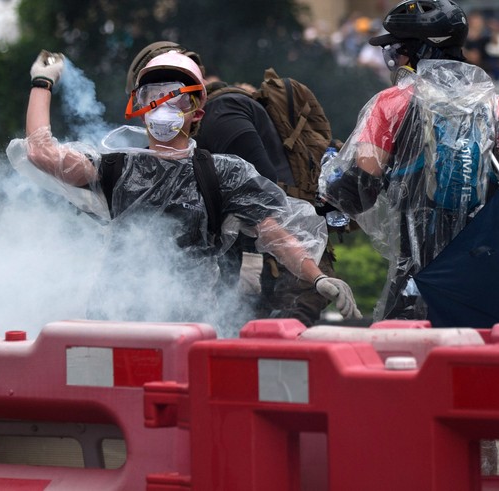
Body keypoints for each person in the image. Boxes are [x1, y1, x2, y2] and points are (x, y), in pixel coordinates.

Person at [7, 49, 361, 333]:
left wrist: (317, 278)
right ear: (139, 106)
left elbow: (275, 233)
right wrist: (43, 81)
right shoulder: (114, 166)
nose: (163, 106)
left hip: (189, 325)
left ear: (197, 112)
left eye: (176, 98)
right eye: (153, 95)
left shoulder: (223, 172)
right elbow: (41, 153)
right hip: (115, 321)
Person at [322, 0, 499, 321]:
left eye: (397, 52)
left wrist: (326, 182)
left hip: (419, 275)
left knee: (405, 360)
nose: (394, 61)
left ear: (419, 53)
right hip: (485, 272)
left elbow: (359, 188)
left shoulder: (391, 104)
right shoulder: (498, 106)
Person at [124, 41, 339, 327]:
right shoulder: (201, 125)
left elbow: (265, 199)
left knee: (266, 363)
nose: (155, 103)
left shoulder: (221, 114)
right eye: (149, 94)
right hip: (271, 269)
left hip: (280, 274)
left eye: (162, 90)